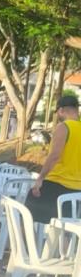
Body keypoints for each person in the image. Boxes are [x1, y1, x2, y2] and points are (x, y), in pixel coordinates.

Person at [28, 95, 81, 223]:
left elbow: (54, 155)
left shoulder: (63, 127)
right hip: (77, 190)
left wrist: (40, 178)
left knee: (26, 214)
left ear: (61, 110)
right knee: (64, 226)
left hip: (56, 185)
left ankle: (29, 242)